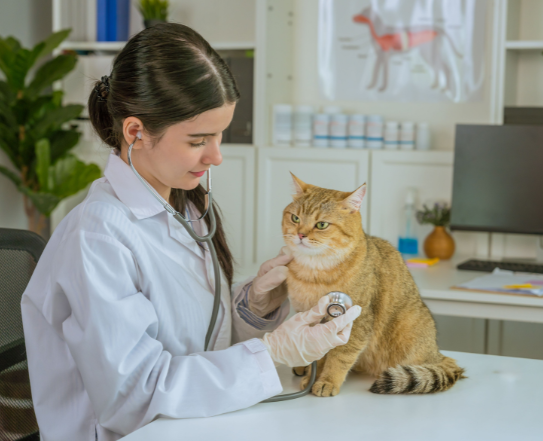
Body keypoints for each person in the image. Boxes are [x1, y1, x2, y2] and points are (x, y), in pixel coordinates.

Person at [20, 23, 361, 441]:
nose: (216, 156)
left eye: (220, 136)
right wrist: (271, 353)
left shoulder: (185, 206)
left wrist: (252, 306)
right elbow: (134, 396)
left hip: (197, 424)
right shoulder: (96, 237)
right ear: (135, 132)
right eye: (199, 140)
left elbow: (198, 341)